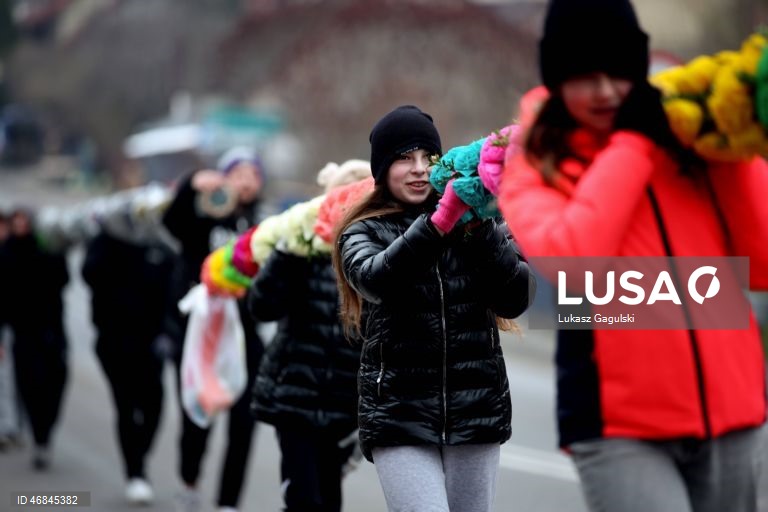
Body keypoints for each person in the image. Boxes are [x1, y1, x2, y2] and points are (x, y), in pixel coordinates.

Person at [498, 1, 768, 511]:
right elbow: (571, 268)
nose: (604, 90)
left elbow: (762, 261)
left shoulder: (685, 142)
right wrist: (635, 144)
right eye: (584, 76)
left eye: (618, 73)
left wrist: (729, 145)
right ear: (556, 80)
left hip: (735, 410)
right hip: (618, 425)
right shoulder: (536, 160)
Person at [332, 105, 534, 512]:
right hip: (398, 416)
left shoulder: (481, 222)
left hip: (475, 412)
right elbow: (374, 280)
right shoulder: (362, 230)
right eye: (405, 158)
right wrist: (437, 225)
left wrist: (476, 228)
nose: (419, 169)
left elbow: (515, 297)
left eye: (429, 157)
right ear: (382, 168)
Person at [247, 160, 370, 512]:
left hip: (344, 403)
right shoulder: (303, 244)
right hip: (296, 397)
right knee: (304, 499)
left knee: (329, 498)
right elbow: (262, 307)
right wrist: (287, 253)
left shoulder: (374, 255)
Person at [162, 147, 266, 512]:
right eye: (237, 172)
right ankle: (189, 483)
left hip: (245, 339)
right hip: (200, 336)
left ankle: (228, 503)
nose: (245, 181)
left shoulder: (264, 224)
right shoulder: (204, 212)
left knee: (244, 425)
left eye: (253, 174)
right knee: (197, 418)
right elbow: (172, 223)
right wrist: (192, 185)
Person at [81, 230, 175, 505]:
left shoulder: (159, 245)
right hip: (113, 342)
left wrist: (168, 334)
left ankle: (138, 455)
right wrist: (109, 235)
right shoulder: (107, 242)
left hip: (150, 344)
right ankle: (135, 472)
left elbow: (172, 290)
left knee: (154, 406)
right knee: (126, 405)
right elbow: (89, 274)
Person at [0, 207, 69, 470]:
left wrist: (54, 246)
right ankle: (39, 437)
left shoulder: (49, 250)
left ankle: (45, 432)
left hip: (53, 331)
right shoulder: (7, 253)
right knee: (29, 386)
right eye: (16, 222)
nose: (20, 227)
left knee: (55, 385)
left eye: (24, 222)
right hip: (23, 333)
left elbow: (64, 279)